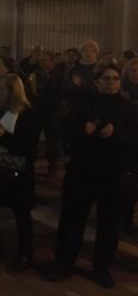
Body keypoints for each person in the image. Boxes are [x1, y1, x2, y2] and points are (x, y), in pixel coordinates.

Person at [46, 65, 138, 288]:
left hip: (112, 174)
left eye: (115, 79)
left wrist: (116, 134)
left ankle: (102, 268)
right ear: (97, 82)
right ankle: (64, 263)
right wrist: (82, 130)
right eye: (106, 79)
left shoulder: (129, 109)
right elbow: (63, 131)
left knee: (108, 224)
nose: (111, 82)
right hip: (82, 171)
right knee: (72, 220)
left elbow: (134, 142)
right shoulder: (83, 104)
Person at [0, 74, 41, 272]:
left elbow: (28, 146)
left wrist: (1, 137)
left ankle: (25, 254)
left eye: (1, 89)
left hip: (17, 171)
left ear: (14, 92)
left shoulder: (28, 114)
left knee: (21, 213)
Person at [30, 51, 64, 179]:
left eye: (45, 60)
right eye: (41, 60)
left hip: (52, 112)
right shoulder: (36, 74)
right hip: (37, 111)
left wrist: (48, 79)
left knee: (52, 141)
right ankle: (31, 163)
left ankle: (52, 166)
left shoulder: (59, 74)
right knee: (33, 138)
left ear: (52, 61)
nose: (42, 62)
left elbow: (60, 92)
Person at [121, 57, 138, 235]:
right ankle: (126, 217)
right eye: (133, 70)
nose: (136, 74)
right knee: (129, 184)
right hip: (129, 142)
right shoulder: (123, 92)